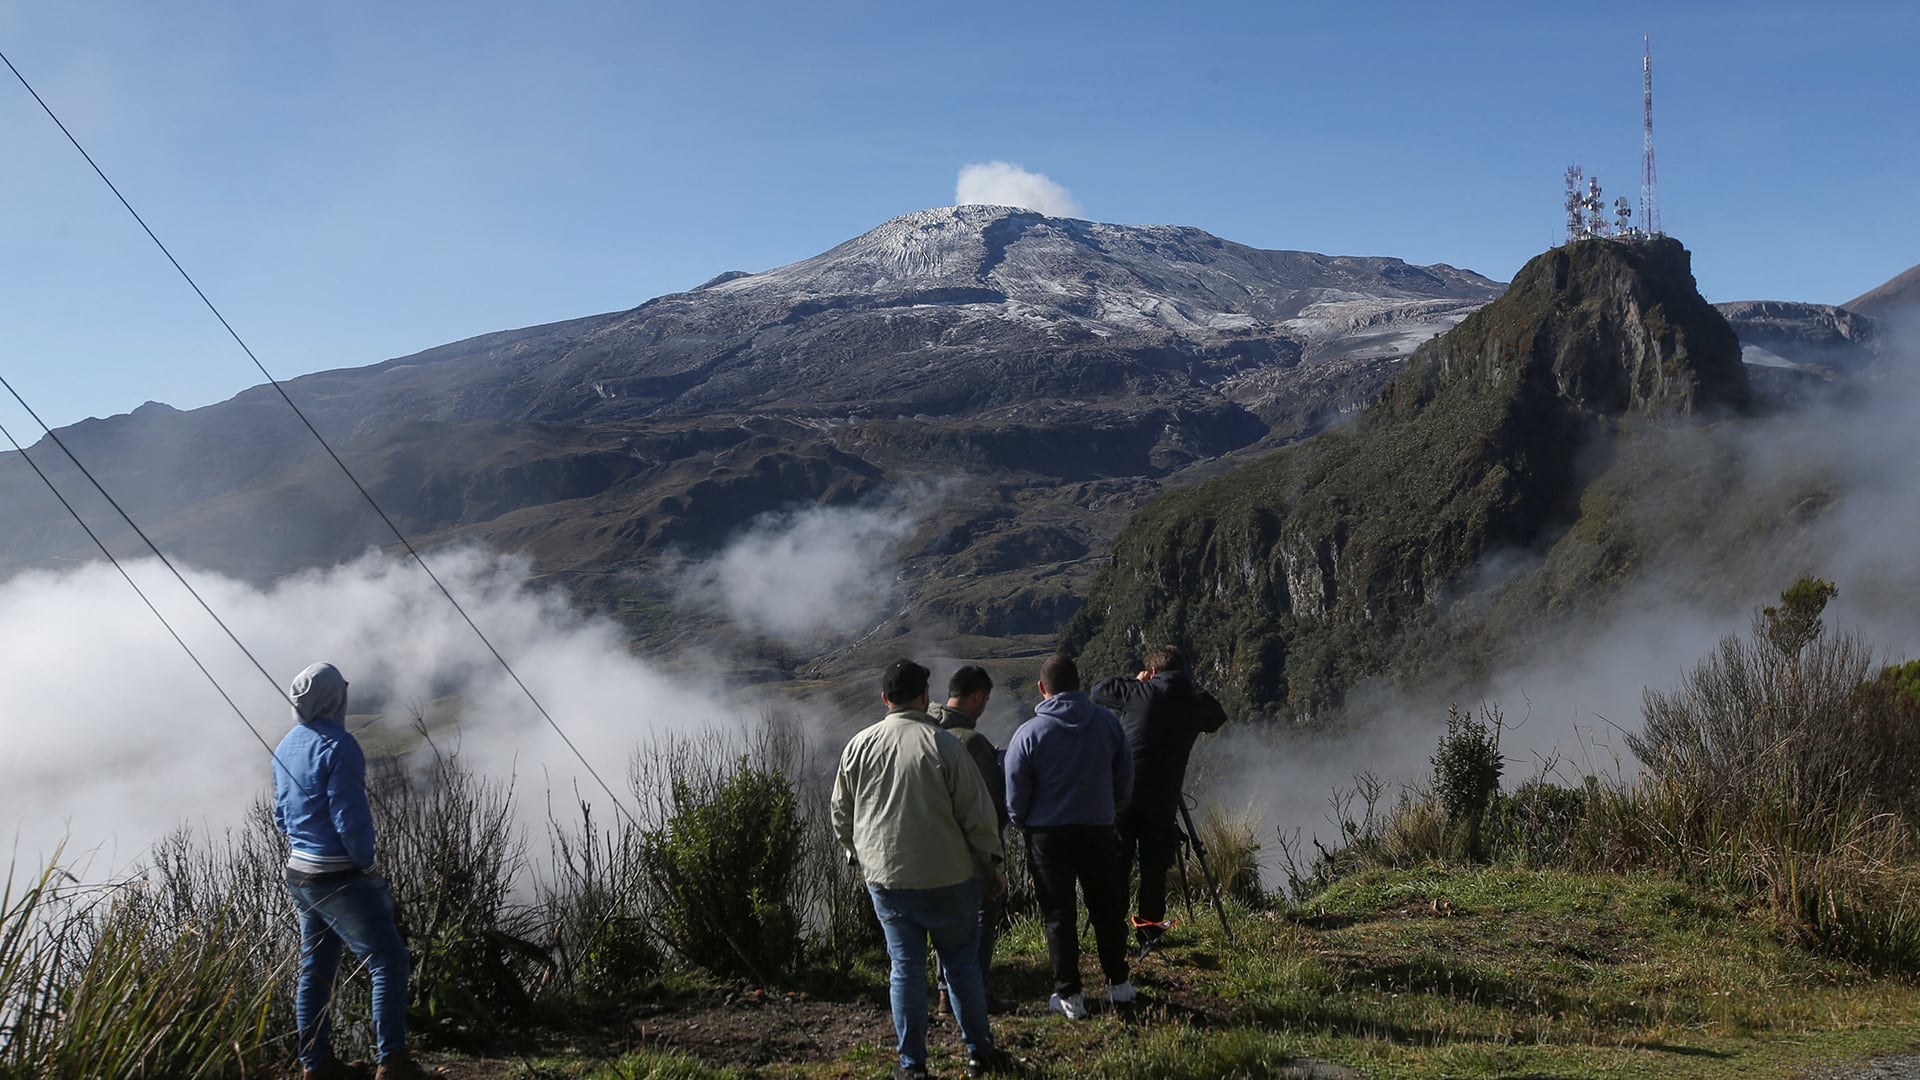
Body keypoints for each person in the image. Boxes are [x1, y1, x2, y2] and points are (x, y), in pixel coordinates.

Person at [832, 659, 1010, 1079]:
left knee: (905, 968)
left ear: (884, 698)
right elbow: (977, 816)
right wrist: (993, 866)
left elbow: (841, 813)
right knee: (961, 965)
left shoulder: (859, 745)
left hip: (888, 879)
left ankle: (912, 1066)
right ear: (924, 697)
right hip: (949, 879)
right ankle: (979, 1053)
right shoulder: (945, 745)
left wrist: (857, 855)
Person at [272, 662, 433, 1080]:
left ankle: (317, 1065)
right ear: (334, 698)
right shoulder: (340, 745)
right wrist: (367, 865)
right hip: (337, 874)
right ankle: (393, 1062)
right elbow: (350, 817)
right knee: (389, 962)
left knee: (316, 969)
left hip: (299, 873)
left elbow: (281, 816)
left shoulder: (286, 745)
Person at [1004, 654, 1135, 1019]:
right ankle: (1119, 984)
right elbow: (1125, 778)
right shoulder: (1108, 725)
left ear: (1042, 689)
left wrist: (1024, 822)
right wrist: (1112, 811)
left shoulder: (1029, 733)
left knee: (1059, 914)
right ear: (1079, 684)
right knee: (1108, 908)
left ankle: (1070, 995)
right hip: (1098, 830)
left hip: (1048, 836)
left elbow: (1015, 793)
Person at [1090, 644, 1228, 950]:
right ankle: (1150, 937)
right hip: (1164, 798)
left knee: (1118, 865)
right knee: (1154, 871)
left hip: (1123, 795)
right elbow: (1217, 717)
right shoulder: (1192, 701)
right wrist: (1191, 687)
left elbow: (1098, 691)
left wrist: (1139, 682)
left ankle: (1113, 936)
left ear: (1152, 672)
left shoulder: (1138, 692)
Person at [927, 664, 1007, 1015]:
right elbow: (990, 808)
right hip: (968, 851)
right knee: (979, 920)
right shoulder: (972, 744)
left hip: (929, 847)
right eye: (985, 700)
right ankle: (971, 996)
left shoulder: (926, 730)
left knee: (944, 923)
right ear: (976, 697)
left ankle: (945, 992)